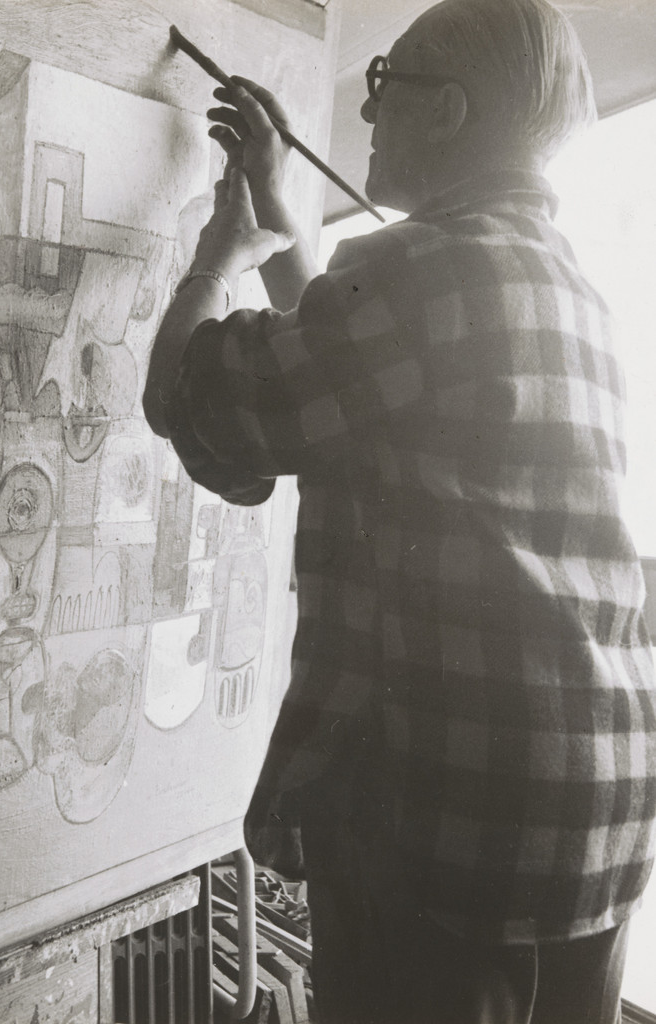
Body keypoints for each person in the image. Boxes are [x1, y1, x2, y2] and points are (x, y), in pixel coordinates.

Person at [144, 1, 656, 1020]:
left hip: (448, 832)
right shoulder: (568, 290)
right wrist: (287, 229)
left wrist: (216, 255)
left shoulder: (426, 271)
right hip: (589, 823)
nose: (366, 112)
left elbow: (189, 395)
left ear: (449, 115)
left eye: (384, 85)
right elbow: (364, 392)